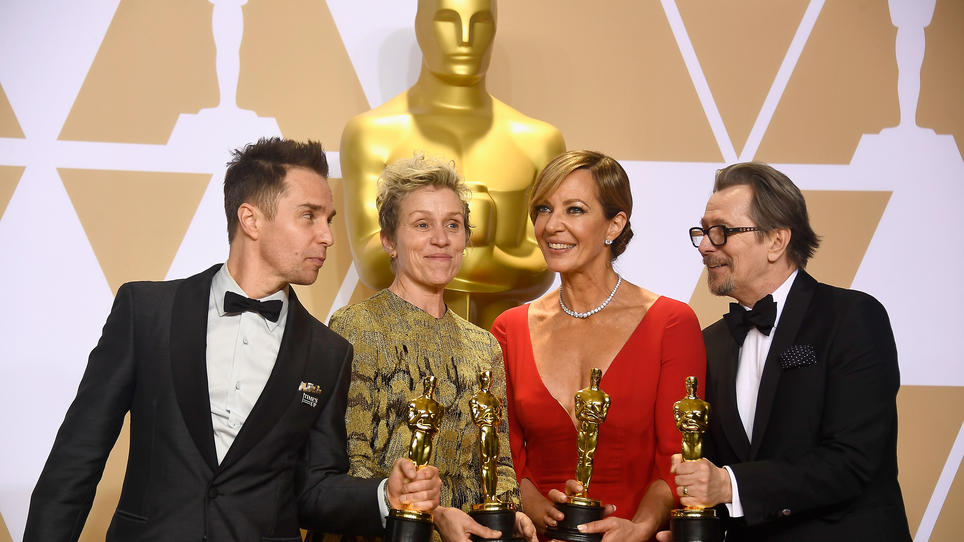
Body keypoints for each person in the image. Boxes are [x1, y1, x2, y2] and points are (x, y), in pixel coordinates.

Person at [23, 138, 440, 542]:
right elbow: (77, 459)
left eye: (327, 220)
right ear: (251, 219)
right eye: (308, 216)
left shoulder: (328, 352)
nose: (327, 236)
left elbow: (313, 489)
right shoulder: (146, 312)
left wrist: (384, 496)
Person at [662, 162, 911, 541]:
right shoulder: (711, 342)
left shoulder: (851, 317)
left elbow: (853, 460)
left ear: (777, 241)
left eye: (721, 231)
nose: (705, 246)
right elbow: (712, 474)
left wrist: (730, 485)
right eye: (703, 231)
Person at [491, 150, 707, 541]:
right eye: (543, 209)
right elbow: (503, 454)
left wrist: (640, 527)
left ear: (614, 224)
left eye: (574, 210)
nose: (552, 225)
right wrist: (532, 504)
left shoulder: (671, 323)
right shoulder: (510, 329)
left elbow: (676, 460)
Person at [325, 155, 537, 542]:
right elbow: (351, 462)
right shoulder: (356, 327)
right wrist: (433, 514)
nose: (441, 239)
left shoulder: (484, 345)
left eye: (452, 225)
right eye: (422, 224)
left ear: (465, 239)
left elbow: (498, 462)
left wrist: (510, 512)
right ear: (389, 241)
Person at [340, 0, 566, 329]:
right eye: (448, 20)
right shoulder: (372, 134)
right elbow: (372, 263)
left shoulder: (539, 141)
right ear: (421, 26)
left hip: (505, 346)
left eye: (480, 22)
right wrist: (487, 255)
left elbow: (545, 266)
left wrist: (425, 249)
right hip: (404, 344)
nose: (465, 38)